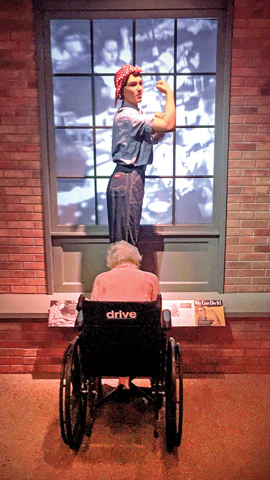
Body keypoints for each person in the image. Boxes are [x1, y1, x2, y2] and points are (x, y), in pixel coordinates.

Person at [107, 64, 176, 246]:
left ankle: (126, 273)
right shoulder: (128, 116)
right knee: (124, 240)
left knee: (128, 236)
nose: (139, 88)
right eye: (132, 85)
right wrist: (169, 93)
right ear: (122, 90)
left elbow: (154, 138)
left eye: (140, 83)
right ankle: (123, 274)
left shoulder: (136, 114)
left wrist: (158, 127)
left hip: (133, 176)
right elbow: (169, 125)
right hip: (127, 177)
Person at [91, 240, 161, 389]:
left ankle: (122, 379)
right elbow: (155, 313)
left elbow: (94, 314)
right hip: (143, 350)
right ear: (136, 258)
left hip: (106, 350)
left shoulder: (101, 279)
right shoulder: (151, 279)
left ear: (112, 259)